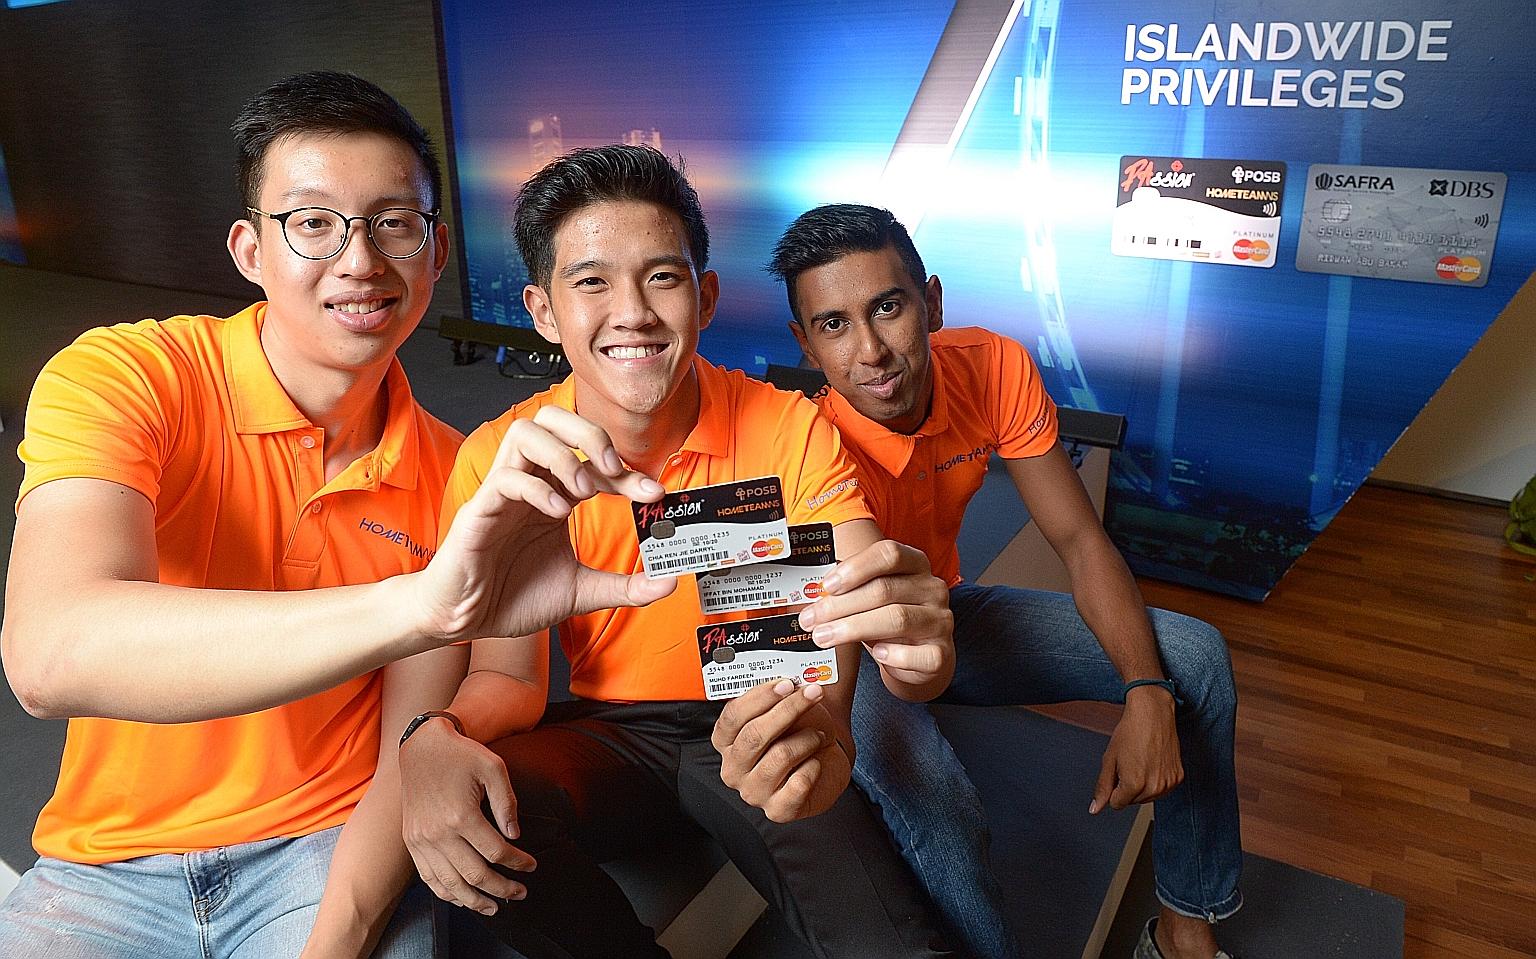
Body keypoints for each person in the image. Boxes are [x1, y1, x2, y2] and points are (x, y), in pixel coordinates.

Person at [0, 73, 674, 958]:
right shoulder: (129, 376)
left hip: (325, 847)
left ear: (434, 254)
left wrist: (335, 939)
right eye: (313, 222)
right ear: (250, 249)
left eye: (394, 222)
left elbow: (413, 727)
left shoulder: (459, 473)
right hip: (109, 860)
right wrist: (426, 605)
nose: (359, 260)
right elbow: (53, 656)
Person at [393, 145, 961, 958]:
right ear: (543, 310)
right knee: (476, 818)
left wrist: (851, 699)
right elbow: (508, 677)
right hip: (610, 734)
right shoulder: (501, 457)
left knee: (896, 943)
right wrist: (433, 733)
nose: (633, 312)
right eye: (591, 281)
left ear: (706, 295)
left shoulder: (788, 425)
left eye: (662, 276)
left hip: (761, 709)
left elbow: (852, 596)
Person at [767, 203, 1243, 959]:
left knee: (1196, 657)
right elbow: (826, 639)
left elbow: (1080, 539)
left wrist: (1146, 689)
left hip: (943, 617)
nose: (871, 351)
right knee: (944, 806)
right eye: (833, 325)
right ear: (805, 342)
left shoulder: (991, 365)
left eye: (888, 307)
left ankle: (1186, 933)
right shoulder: (801, 440)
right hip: (845, 649)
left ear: (933, 301)